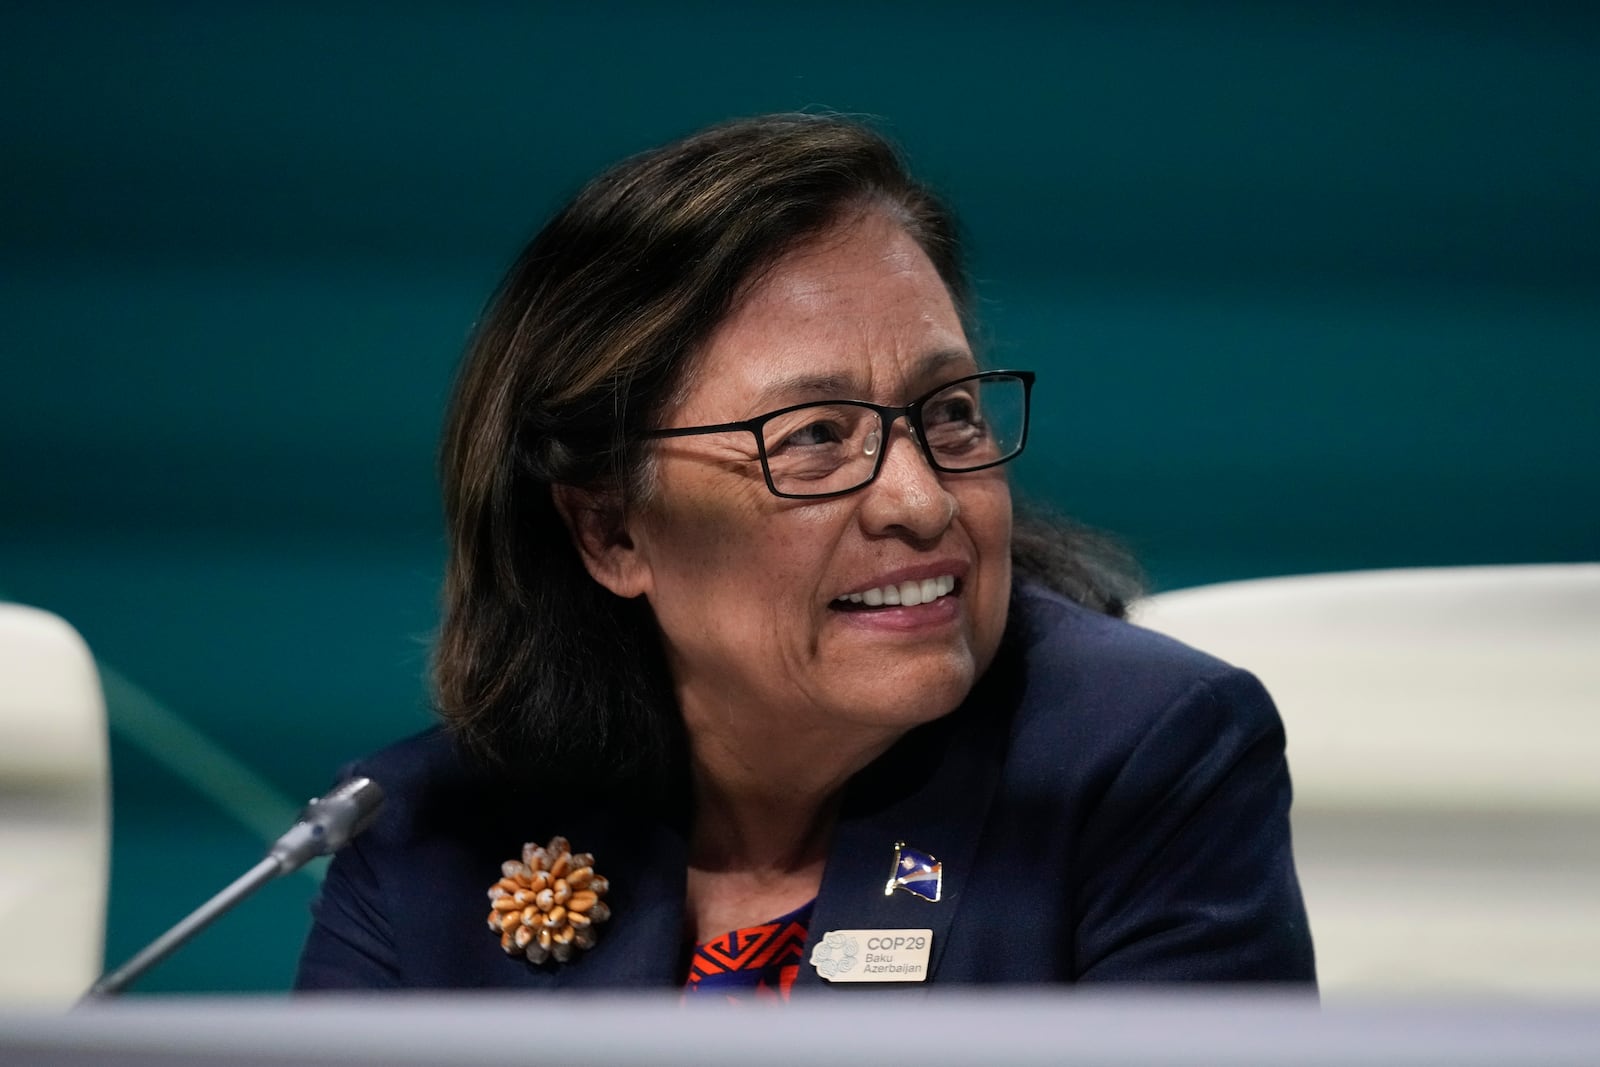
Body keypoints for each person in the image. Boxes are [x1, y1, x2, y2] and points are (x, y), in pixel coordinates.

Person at [295, 113, 1315, 996]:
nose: (921, 501)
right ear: (611, 531)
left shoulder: (1141, 762)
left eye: (950, 412)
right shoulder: (424, 837)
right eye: (815, 437)